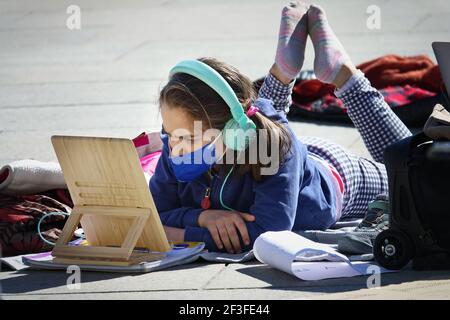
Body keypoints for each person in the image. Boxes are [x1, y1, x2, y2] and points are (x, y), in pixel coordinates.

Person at [149, 2, 412, 254]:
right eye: (169, 134)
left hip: (339, 175)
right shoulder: (178, 147)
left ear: (232, 132)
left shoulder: (274, 151)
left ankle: (344, 75)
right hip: (283, 144)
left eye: (188, 137)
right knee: (258, 118)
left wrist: (183, 234)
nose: (174, 147)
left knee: (413, 172)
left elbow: (268, 234)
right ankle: (282, 72)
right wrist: (204, 217)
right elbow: (155, 213)